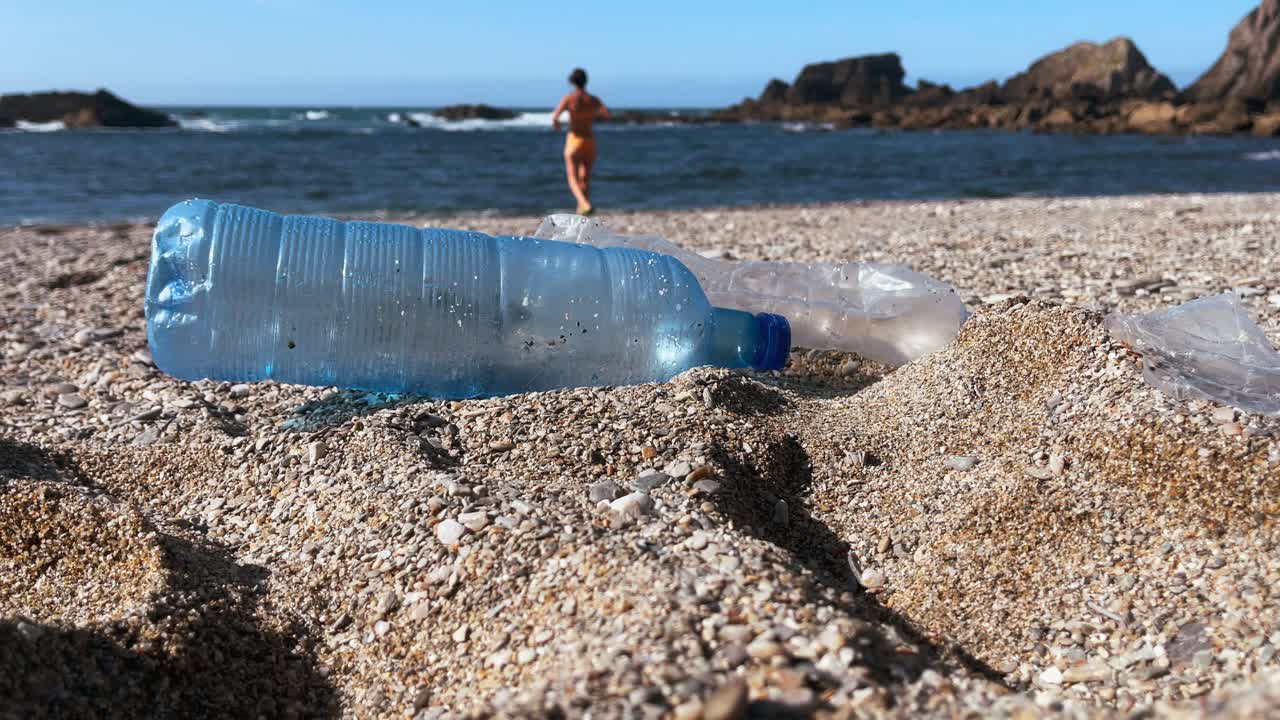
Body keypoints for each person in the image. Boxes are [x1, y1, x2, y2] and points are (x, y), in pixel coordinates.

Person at [552, 68, 610, 215]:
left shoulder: (569, 98)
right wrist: (592, 117)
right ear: (586, 81)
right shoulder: (593, 100)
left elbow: (555, 117)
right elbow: (606, 114)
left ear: (572, 82)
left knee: (572, 178)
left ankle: (584, 204)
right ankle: (582, 210)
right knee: (585, 178)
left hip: (574, 140)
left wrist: (558, 126)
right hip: (589, 140)